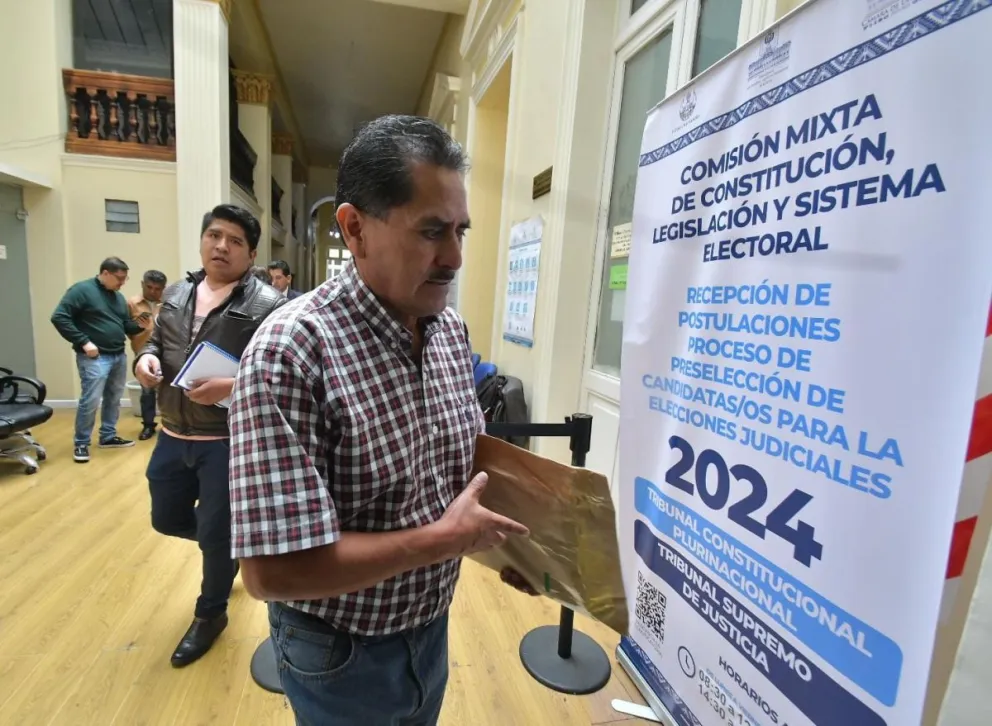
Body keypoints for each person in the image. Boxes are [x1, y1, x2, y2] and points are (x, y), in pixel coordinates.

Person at [228, 115, 534, 726]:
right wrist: (442, 542)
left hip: (430, 622)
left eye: (460, 231)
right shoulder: (290, 352)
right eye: (431, 231)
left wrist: (531, 553)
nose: (454, 256)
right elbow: (271, 572)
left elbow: (458, 468)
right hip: (340, 651)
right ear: (354, 228)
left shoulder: (447, 328)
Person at [134, 204, 286, 668]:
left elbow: (281, 372)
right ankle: (232, 547)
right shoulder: (178, 293)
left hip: (226, 441)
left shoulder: (268, 305)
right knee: (166, 518)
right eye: (215, 236)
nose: (221, 246)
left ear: (252, 253)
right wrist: (145, 361)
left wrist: (235, 384)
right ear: (202, 240)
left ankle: (210, 613)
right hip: (172, 431)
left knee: (216, 536)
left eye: (235, 241)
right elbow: (158, 341)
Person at [51, 256, 144, 463]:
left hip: (118, 354)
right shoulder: (81, 290)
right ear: (105, 273)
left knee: (113, 398)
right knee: (91, 400)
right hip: (94, 357)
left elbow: (124, 325)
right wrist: (84, 342)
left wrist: (139, 325)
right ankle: (81, 442)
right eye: (119, 278)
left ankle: (108, 436)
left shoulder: (118, 298)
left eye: (125, 279)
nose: (122, 283)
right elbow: (59, 317)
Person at [127, 270, 167, 440]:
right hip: (144, 354)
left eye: (158, 288)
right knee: (147, 391)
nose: (153, 291)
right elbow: (125, 327)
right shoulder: (131, 304)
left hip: (168, 353)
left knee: (170, 392)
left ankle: (170, 426)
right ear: (142, 284)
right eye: (149, 287)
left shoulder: (168, 303)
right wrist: (137, 328)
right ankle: (148, 426)